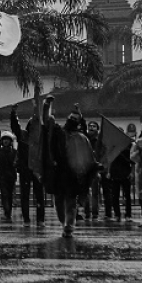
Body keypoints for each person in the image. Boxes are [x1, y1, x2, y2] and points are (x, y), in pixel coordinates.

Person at [49, 100, 97, 238]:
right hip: (59, 172)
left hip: (73, 174)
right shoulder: (59, 133)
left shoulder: (82, 138)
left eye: (75, 119)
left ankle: (69, 226)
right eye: (71, 118)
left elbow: (88, 156)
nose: (72, 120)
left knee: (70, 201)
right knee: (58, 201)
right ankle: (63, 222)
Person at [10, 107, 46, 226]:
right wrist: (14, 114)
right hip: (25, 169)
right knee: (25, 195)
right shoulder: (23, 136)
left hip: (37, 170)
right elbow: (15, 128)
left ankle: (40, 219)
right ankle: (26, 219)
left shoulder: (40, 140)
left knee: (39, 195)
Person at [0, 132, 18, 222]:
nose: (5, 141)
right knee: (4, 194)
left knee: (10, 194)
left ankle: (8, 212)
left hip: (11, 176)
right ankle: (7, 211)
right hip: (2, 175)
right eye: (4, 140)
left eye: (7, 140)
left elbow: (16, 164)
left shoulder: (14, 152)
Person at [82, 121, 102, 221]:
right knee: (86, 192)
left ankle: (94, 213)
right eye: (90, 126)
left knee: (95, 192)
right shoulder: (85, 138)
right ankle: (87, 212)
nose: (91, 128)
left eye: (94, 126)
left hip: (95, 168)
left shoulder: (98, 141)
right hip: (86, 167)